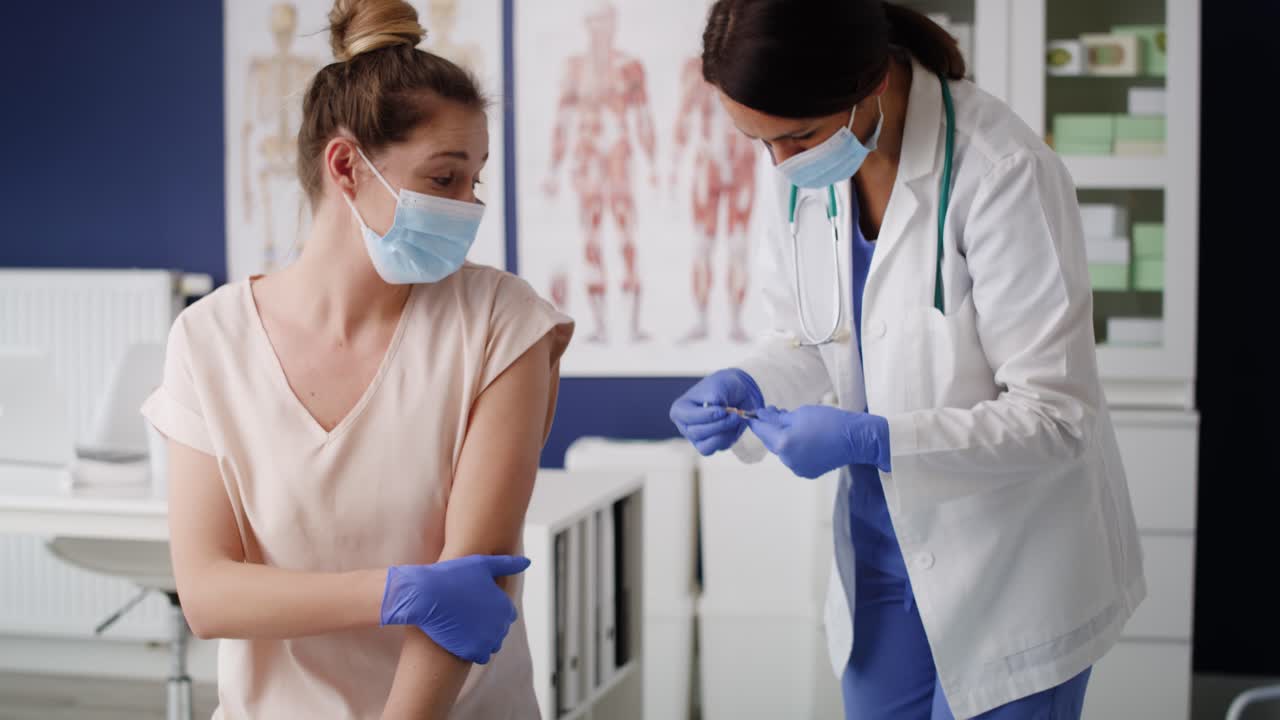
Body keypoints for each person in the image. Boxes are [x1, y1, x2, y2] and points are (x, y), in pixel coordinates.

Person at [669, 2, 1144, 718]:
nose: (781, 166)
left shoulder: (1002, 169)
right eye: (758, 142)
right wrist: (749, 382)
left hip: (1013, 564)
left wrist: (876, 439)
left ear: (866, 82)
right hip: (881, 560)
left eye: (796, 138)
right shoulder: (804, 169)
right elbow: (811, 339)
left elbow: (1058, 415)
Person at [142, 1, 572, 717]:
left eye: (476, 180)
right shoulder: (208, 340)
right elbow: (210, 594)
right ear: (346, 165)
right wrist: (393, 591)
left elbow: (470, 593)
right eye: (444, 179)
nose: (469, 206)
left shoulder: (503, 322)